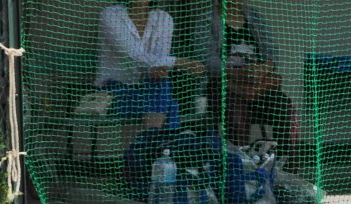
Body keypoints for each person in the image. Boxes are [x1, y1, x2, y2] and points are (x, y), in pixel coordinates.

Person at [95, 0, 205, 130]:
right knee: (171, 106)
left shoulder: (164, 18)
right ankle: (161, 140)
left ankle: (152, 137)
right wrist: (180, 62)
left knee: (161, 85)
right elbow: (132, 55)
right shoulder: (110, 14)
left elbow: (160, 60)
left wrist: (157, 70)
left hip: (149, 88)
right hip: (114, 91)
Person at [203, 0, 296, 153]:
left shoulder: (255, 17)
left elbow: (272, 54)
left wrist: (262, 69)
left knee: (283, 105)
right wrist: (238, 73)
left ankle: (283, 159)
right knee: (235, 109)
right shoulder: (208, 18)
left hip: (256, 84)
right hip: (226, 85)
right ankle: (239, 160)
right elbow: (206, 59)